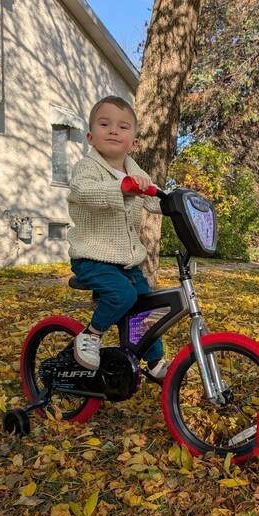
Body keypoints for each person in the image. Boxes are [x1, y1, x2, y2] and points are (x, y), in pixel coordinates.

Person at [66, 95, 169, 379]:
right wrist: (121, 189)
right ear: (90, 136)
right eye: (104, 124)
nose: (113, 130)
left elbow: (156, 199)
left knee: (146, 307)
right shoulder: (87, 168)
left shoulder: (136, 172)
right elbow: (82, 192)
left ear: (134, 142)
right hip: (92, 258)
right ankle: (91, 336)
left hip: (126, 261)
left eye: (123, 127)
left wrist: (177, 203)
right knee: (124, 295)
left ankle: (155, 361)